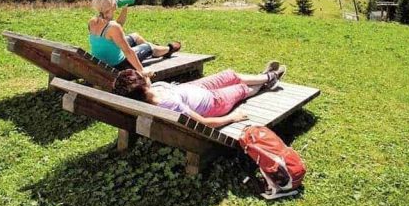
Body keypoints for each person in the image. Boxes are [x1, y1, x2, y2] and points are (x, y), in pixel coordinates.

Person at [112, 62, 287, 127]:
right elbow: (203, 123)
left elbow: (144, 81)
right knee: (241, 88)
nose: (142, 73)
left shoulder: (146, 95)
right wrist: (233, 117)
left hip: (195, 88)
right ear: (143, 87)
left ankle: (263, 77)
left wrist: (146, 77)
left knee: (231, 75)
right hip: (212, 103)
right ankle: (268, 80)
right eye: (140, 76)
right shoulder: (169, 105)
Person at [88, 0, 181, 73]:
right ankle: (168, 49)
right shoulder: (114, 27)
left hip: (101, 63)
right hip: (119, 65)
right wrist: (142, 71)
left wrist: (124, 9)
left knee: (135, 36)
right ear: (112, 6)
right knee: (148, 46)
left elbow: (113, 29)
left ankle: (154, 51)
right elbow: (128, 52)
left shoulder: (92, 21)